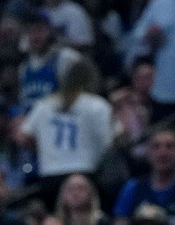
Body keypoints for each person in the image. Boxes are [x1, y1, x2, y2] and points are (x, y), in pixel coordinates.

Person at [18, 58, 113, 209]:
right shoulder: (98, 105)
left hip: (50, 175)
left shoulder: (45, 104)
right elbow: (108, 142)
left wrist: (43, 149)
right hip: (85, 173)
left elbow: (22, 136)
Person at [112, 128, 175, 225]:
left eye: (170, 146)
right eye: (156, 147)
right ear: (148, 153)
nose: (163, 153)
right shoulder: (132, 188)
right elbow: (121, 221)